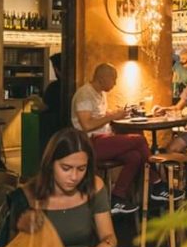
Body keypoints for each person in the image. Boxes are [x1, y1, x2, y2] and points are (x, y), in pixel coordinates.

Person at [71, 63, 175, 211]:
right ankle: (157, 184)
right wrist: (112, 117)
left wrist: (116, 114)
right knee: (139, 140)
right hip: (88, 144)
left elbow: (98, 116)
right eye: (113, 79)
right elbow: (86, 125)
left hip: (102, 139)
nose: (115, 83)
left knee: (135, 156)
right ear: (102, 78)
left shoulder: (100, 93)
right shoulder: (84, 94)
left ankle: (117, 197)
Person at [6, 128, 117, 247]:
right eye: (66, 168)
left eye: (81, 169)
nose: (74, 177)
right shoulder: (27, 196)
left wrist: (106, 246)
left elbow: (109, 236)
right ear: (50, 163)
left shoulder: (94, 186)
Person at [42, 52, 64, 128]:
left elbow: (45, 106)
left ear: (56, 69)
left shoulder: (53, 87)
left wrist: (36, 100)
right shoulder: (77, 85)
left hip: (54, 126)